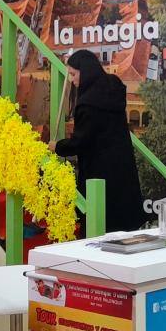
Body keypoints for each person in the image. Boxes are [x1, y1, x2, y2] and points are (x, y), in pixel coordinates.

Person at [53, 49, 145, 232]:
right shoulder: (114, 87)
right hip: (122, 166)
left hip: (99, 172)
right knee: (123, 225)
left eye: (73, 74)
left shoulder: (88, 103)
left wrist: (58, 146)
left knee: (101, 224)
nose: (71, 80)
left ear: (84, 72)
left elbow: (81, 142)